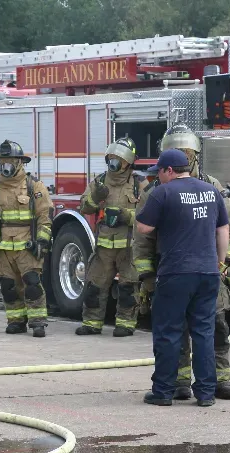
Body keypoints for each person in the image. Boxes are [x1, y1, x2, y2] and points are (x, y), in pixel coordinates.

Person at [134, 123, 230, 401]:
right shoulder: (161, 191)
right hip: (199, 271)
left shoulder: (200, 187)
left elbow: (228, 227)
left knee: (206, 329)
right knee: (194, 331)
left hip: (182, 272)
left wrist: (225, 263)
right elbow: (142, 243)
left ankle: (211, 382)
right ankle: (189, 386)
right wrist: (146, 276)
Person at [0, 140, 53, 338]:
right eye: (3, 162)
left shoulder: (33, 186)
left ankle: (38, 323)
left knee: (32, 284)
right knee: (8, 287)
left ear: (20, 163)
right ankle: (16, 321)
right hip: (3, 248)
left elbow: (45, 215)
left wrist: (42, 241)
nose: (6, 166)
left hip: (27, 247)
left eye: (10, 161)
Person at [75, 137, 140, 337]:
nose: (113, 162)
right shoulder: (100, 181)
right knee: (95, 286)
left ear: (128, 161)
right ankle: (92, 324)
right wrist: (95, 198)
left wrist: (126, 216)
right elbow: (84, 206)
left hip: (128, 247)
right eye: (111, 157)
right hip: (104, 247)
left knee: (128, 288)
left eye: (118, 158)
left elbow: (150, 215)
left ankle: (125, 325)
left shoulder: (139, 184)